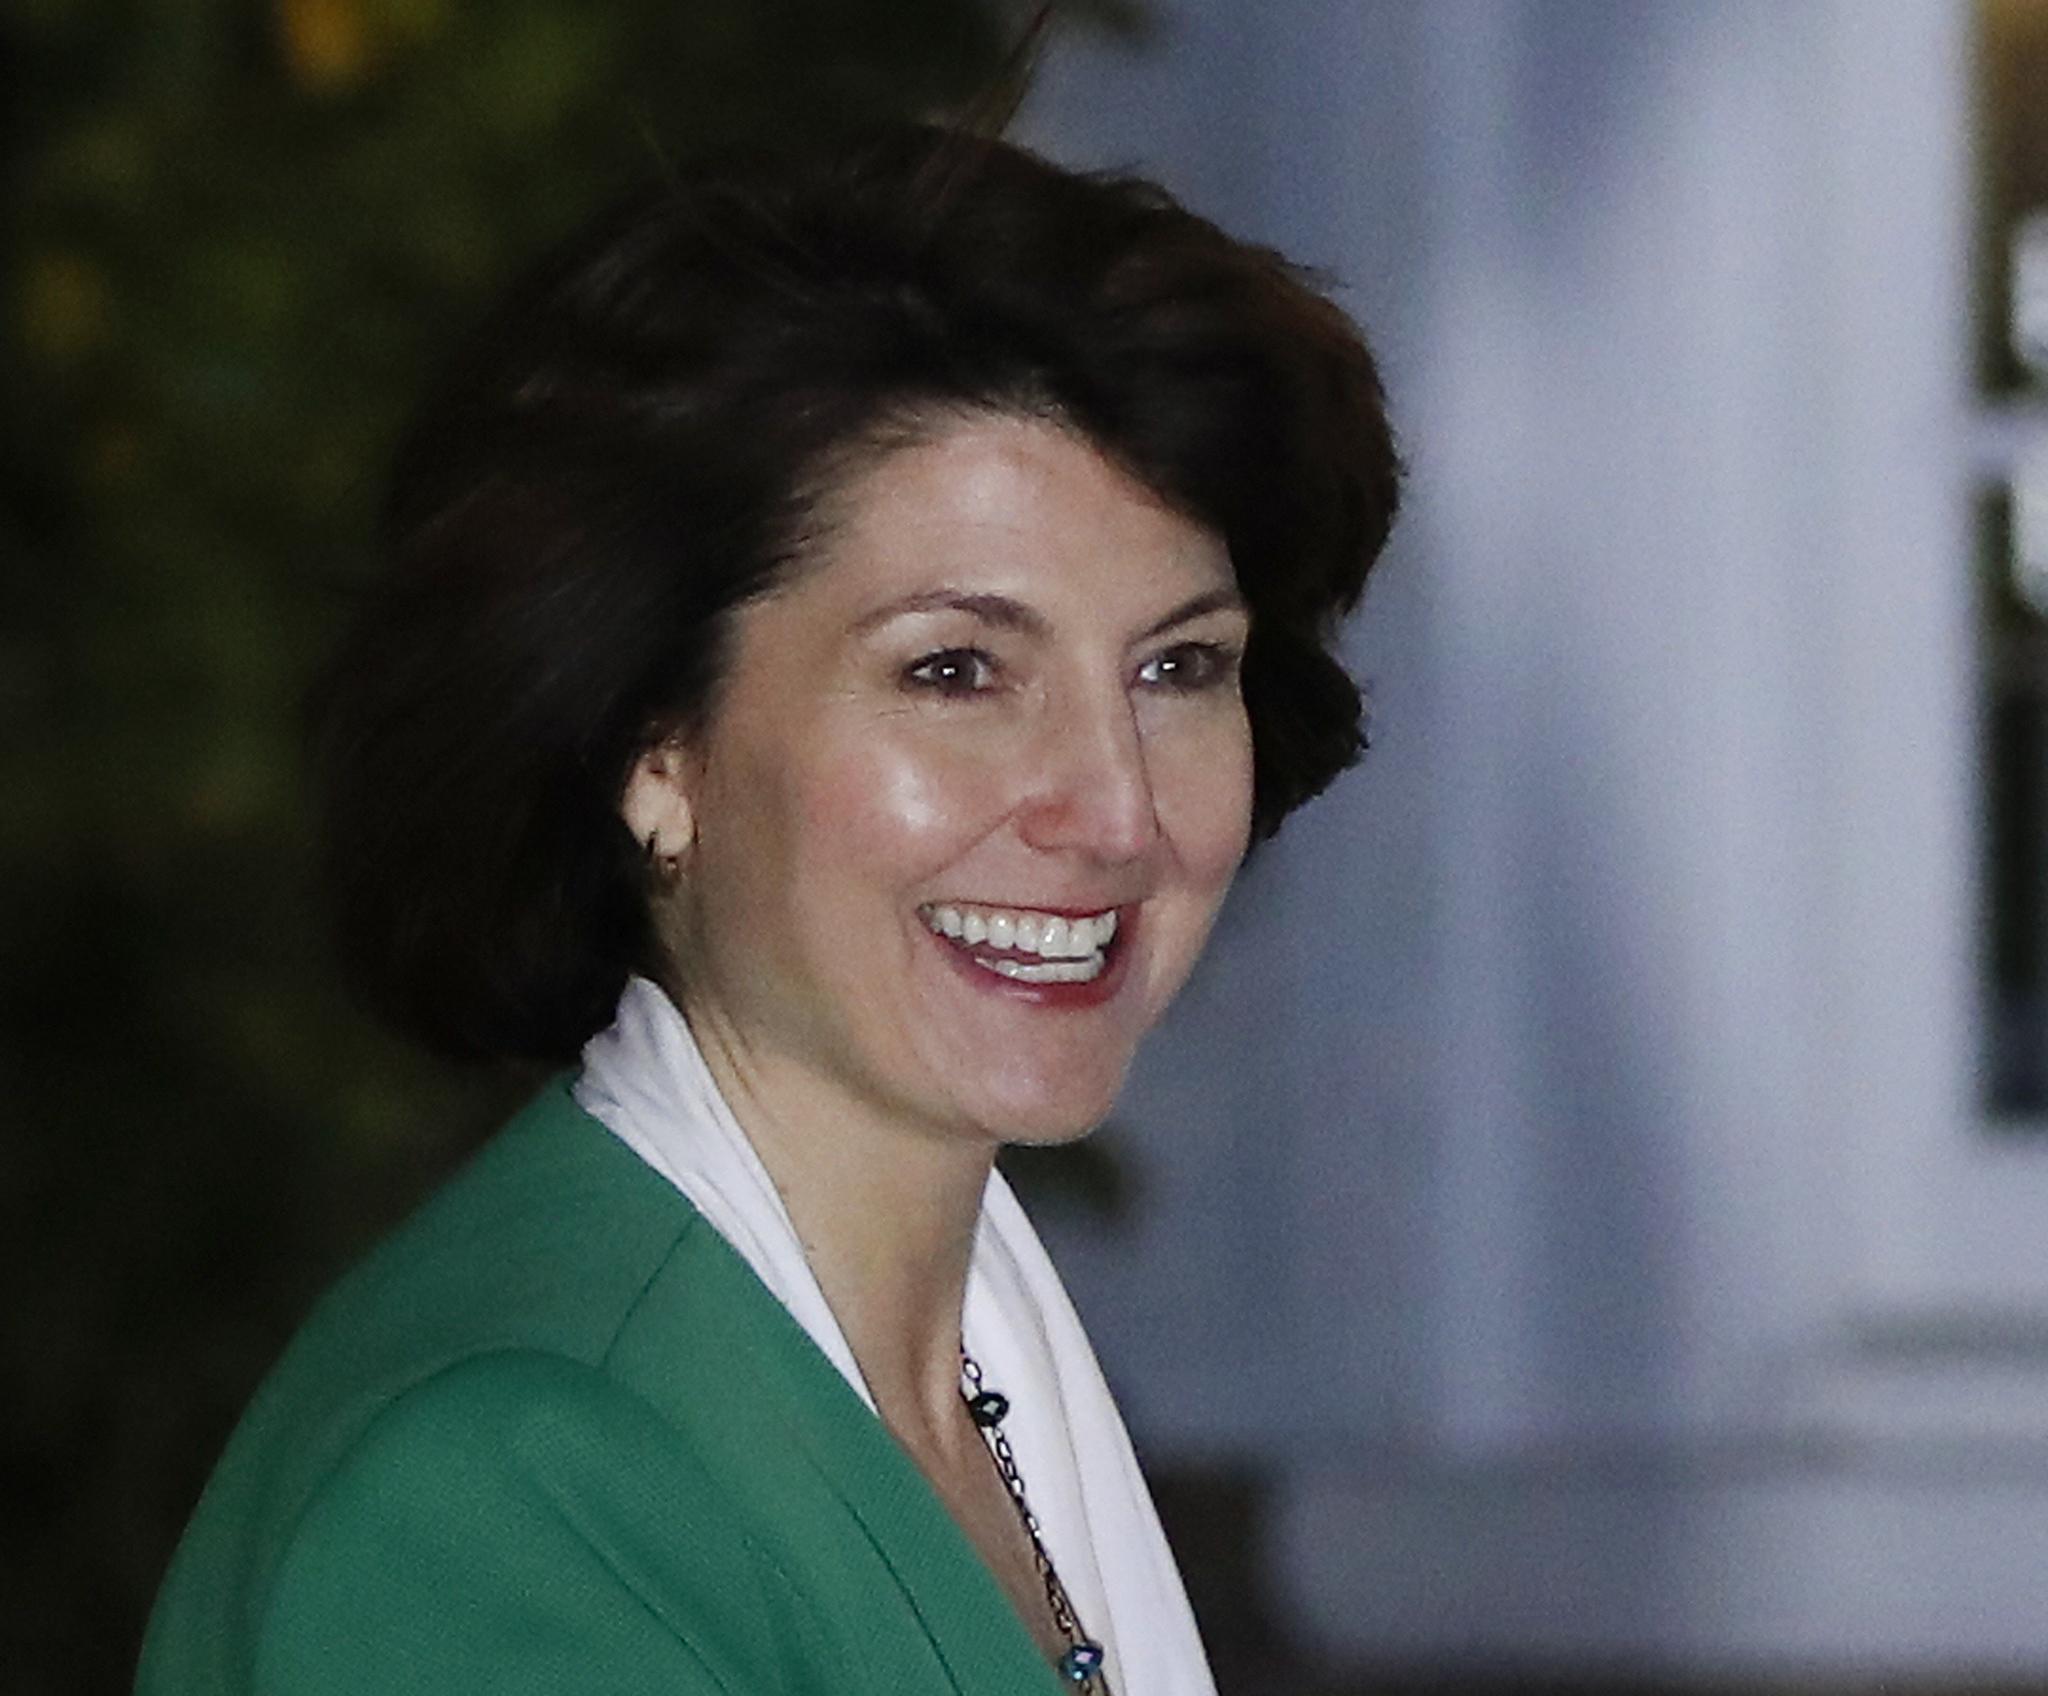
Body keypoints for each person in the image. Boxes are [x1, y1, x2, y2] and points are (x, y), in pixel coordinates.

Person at [135, 122, 1399, 1696]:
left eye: (1177, 668)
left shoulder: (959, 1370)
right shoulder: (514, 1490)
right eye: (956, 671)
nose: (1118, 811)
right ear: (653, 748)